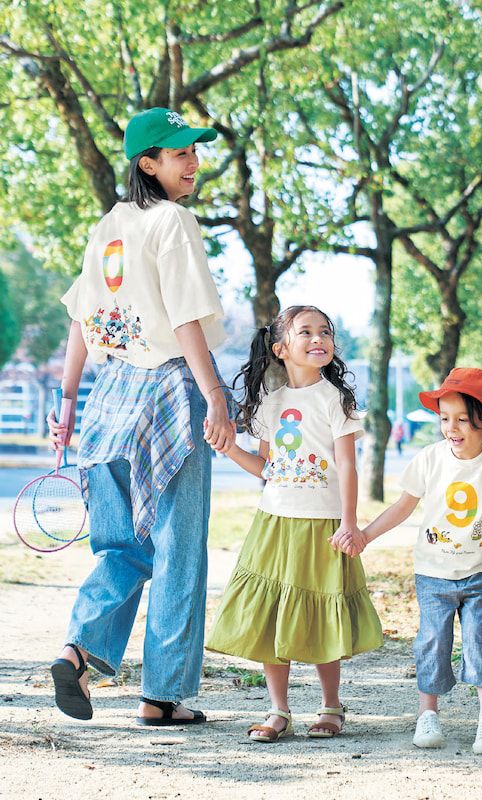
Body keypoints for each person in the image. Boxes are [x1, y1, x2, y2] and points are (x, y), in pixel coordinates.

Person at [48, 107, 235, 725]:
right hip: (170, 393)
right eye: (180, 153)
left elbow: (80, 320)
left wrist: (67, 402)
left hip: (109, 401)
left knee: (124, 547)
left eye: (195, 151)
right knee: (179, 549)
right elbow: (185, 319)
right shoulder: (173, 221)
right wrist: (215, 395)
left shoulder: (110, 224)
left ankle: (78, 650)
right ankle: (162, 696)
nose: (194, 162)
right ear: (148, 163)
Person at [206, 305, 383, 742]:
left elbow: (348, 465)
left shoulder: (335, 400)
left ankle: (331, 707)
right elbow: (266, 468)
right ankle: (277, 709)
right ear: (280, 348)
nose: (318, 338)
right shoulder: (271, 403)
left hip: (323, 525)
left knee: (322, 612)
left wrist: (349, 522)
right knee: (272, 614)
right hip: (275, 523)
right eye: (306, 332)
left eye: (325, 331)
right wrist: (229, 448)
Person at [335, 368, 482, 755]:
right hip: (433, 574)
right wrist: (366, 535)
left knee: (479, 640)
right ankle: (428, 713)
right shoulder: (430, 459)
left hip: (479, 572)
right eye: (445, 418)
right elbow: (403, 506)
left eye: (462, 420)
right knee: (433, 641)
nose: (451, 428)